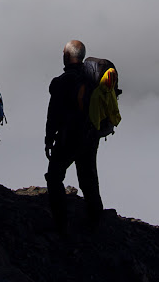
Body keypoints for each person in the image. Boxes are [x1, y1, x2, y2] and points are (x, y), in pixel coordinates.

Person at [44, 39, 103, 236]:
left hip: (70, 136)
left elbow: (54, 113)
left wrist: (49, 138)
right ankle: (96, 220)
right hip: (91, 134)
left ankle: (61, 225)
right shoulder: (92, 79)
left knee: (54, 177)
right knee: (88, 177)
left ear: (68, 56)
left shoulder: (63, 81)